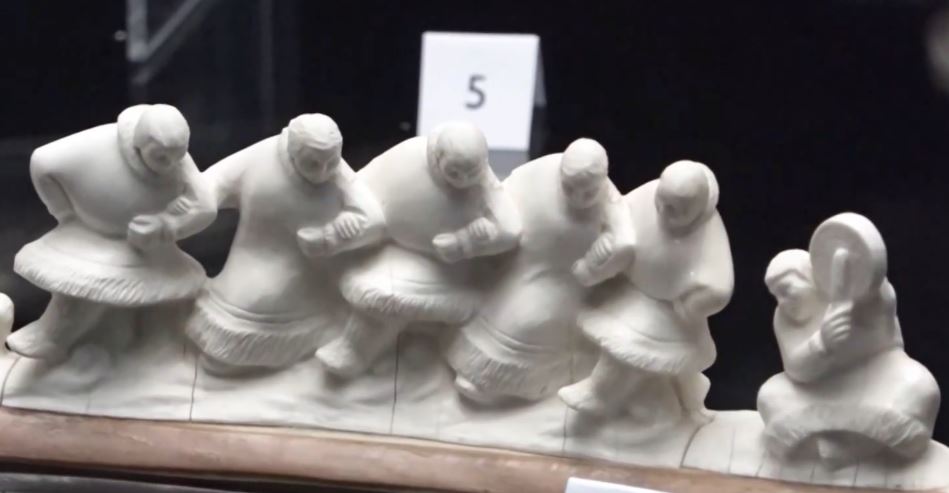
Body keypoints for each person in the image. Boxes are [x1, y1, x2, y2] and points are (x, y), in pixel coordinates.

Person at [7, 104, 216, 361]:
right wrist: (64, 213)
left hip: (149, 251)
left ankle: (141, 347)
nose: (172, 165)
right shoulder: (102, 141)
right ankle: (54, 337)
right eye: (161, 157)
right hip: (94, 238)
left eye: (179, 156)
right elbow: (43, 161)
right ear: (140, 143)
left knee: (157, 302)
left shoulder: (176, 158)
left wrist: (166, 224)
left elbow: (205, 205)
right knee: (85, 286)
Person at [316, 122, 522, 378]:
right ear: (437, 157)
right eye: (454, 172)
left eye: (471, 173)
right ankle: (377, 348)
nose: (463, 180)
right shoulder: (409, 155)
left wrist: (468, 241)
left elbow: (511, 228)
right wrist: (351, 218)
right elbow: (360, 185)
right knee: (373, 281)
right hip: (389, 245)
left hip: (444, 266)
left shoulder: (482, 181)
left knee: (392, 290)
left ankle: (363, 351)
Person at [185, 114, 385, 376]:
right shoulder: (258, 158)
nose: (323, 172)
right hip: (253, 258)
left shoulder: (336, 171)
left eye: (331, 162)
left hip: (311, 273)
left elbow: (374, 217)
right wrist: (186, 212)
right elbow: (213, 184)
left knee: (273, 308)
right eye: (312, 164)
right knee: (241, 312)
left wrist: (336, 233)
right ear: (292, 149)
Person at [444, 138, 635, 404]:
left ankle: (508, 384)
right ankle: (477, 371)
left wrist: (602, 259)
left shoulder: (609, 199)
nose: (578, 198)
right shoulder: (541, 171)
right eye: (570, 189)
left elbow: (627, 242)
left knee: (532, 319)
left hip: (566, 281)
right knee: (503, 305)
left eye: (588, 193)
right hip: (523, 264)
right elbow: (501, 199)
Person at [558, 160, 733, 424]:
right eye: (662, 201)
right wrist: (609, 246)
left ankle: (601, 393)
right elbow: (619, 213)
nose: (663, 210)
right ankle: (685, 397)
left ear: (696, 208)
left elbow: (720, 283)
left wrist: (697, 301)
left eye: (676, 209)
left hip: (668, 310)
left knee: (629, 346)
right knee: (619, 340)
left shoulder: (708, 229)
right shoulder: (650, 193)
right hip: (630, 289)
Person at [758, 224, 940, 464]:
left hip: (880, 376)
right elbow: (796, 369)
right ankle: (830, 444)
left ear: (811, 279)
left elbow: (883, 326)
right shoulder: (783, 318)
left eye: (786, 290)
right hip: (820, 389)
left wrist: (863, 283)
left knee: (920, 387)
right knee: (770, 394)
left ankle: (854, 447)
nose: (782, 301)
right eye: (776, 295)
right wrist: (821, 345)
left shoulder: (867, 298)